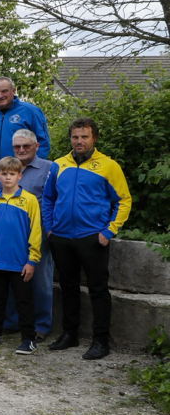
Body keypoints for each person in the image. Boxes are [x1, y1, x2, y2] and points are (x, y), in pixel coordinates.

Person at [43, 118, 131, 360]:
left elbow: (123, 200)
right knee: (68, 288)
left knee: (98, 290)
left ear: (94, 138)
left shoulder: (108, 166)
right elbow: (48, 198)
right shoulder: (58, 165)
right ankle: (69, 335)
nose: (79, 141)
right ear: (70, 138)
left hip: (92, 237)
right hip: (61, 237)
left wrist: (109, 231)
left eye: (84, 136)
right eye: (75, 137)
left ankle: (101, 341)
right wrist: (49, 228)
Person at [0, 157, 41, 355]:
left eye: (12, 174)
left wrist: (32, 260)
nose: (8, 177)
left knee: (24, 302)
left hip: (20, 262)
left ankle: (28, 339)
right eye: (4, 174)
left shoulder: (29, 200)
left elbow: (36, 231)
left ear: (19, 176)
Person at [2, 129, 55, 341]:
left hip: (38, 233)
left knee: (40, 280)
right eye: (17, 147)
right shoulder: (7, 168)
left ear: (36, 146)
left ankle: (41, 325)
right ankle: (12, 321)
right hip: (10, 234)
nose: (21, 150)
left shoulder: (49, 169)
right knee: (10, 278)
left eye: (26, 146)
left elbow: (54, 200)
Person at [0, 77, 50, 183]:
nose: (0, 96)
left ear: (13, 91)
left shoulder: (30, 111)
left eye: (4, 91)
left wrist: (29, 170)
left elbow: (42, 143)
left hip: (20, 176)